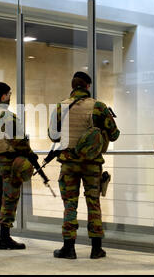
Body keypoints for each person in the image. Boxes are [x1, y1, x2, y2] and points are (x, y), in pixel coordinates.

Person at [48, 71, 119, 259]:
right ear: (88, 86)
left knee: (70, 204)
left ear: (73, 86)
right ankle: (96, 248)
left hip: (69, 164)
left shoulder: (60, 107)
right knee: (93, 202)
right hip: (91, 164)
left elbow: (53, 135)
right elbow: (114, 134)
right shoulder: (98, 106)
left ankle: (68, 248)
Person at [0, 82, 34, 250]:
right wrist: (31, 154)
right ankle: (5, 237)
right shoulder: (8, 116)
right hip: (8, 162)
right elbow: (19, 141)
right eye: (9, 94)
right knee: (10, 198)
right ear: (3, 96)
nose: (10, 97)